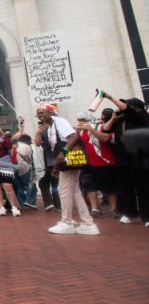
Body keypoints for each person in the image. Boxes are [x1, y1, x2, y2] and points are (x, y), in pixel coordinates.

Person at [34, 104, 99, 235]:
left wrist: (64, 151)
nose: (40, 115)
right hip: (65, 162)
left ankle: (67, 222)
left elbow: (74, 136)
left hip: (68, 159)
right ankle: (87, 223)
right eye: (38, 113)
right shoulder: (51, 126)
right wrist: (57, 167)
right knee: (74, 191)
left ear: (51, 112)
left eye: (42, 112)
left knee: (63, 190)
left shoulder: (59, 122)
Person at [100, 93, 149, 226]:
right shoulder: (121, 121)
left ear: (136, 108)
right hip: (123, 160)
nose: (123, 108)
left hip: (139, 159)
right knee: (126, 188)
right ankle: (129, 213)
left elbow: (128, 109)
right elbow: (105, 129)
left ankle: (147, 216)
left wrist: (110, 97)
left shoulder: (141, 118)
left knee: (143, 188)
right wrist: (114, 118)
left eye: (128, 105)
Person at [75, 110, 117, 219]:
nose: (80, 122)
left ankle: (114, 209)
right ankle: (95, 208)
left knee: (110, 186)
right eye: (79, 120)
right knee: (89, 186)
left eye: (82, 120)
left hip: (104, 161)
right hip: (88, 163)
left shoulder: (100, 126)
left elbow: (105, 138)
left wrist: (90, 129)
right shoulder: (80, 131)